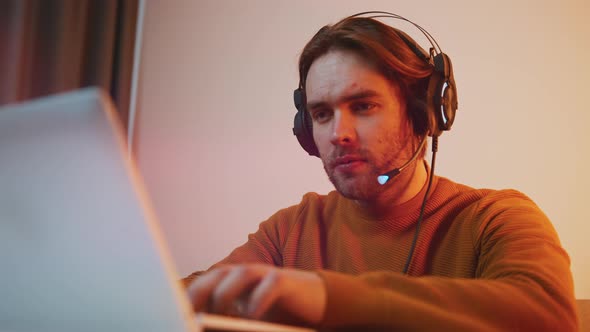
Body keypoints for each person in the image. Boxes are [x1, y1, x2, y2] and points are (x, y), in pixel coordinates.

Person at [183, 12, 578, 331]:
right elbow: (190, 298)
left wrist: (327, 295)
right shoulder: (289, 232)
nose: (339, 134)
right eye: (322, 114)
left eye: (363, 106)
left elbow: (548, 316)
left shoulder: (494, 218)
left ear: (423, 112)